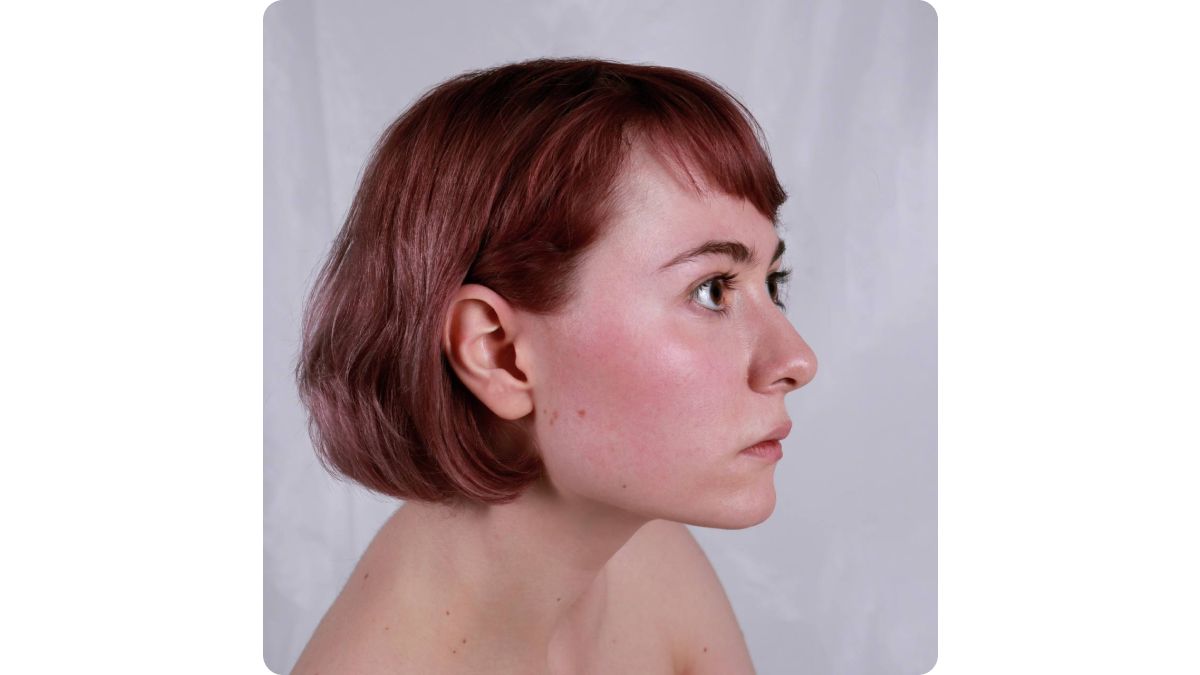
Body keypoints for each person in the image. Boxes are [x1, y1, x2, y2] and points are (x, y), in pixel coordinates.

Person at [290, 57, 817, 675]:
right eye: (712, 290)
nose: (797, 360)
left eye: (772, 282)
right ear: (497, 354)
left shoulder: (643, 558)